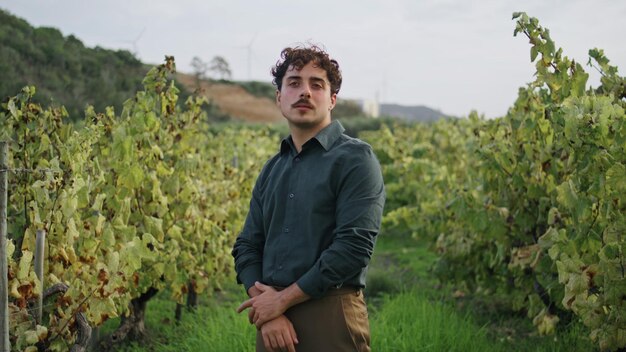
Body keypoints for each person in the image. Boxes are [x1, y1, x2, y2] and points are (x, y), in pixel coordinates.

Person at [232, 44, 385, 352]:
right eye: (294, 82)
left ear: (331, 100)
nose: (305, 92)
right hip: (272, 324)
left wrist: (281, 301)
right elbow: (247, 246)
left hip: (331, 314)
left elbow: (353, 248)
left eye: (316, 84)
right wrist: (269, 311)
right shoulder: (272, 169)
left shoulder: (355, 159)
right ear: (279, 98)